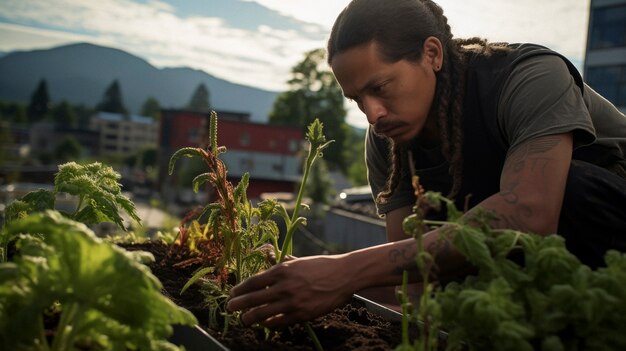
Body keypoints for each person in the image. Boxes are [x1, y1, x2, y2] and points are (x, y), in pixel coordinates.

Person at [227, 0, 626, 328]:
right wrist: (314, 282)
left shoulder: (528, 76)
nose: (373, 115)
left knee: (571, 187)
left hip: (604, 245)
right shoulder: (390, 141)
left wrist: (347, 270)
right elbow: (411, 271)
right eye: (357, 100)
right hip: (547, 284)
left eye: (379, 87)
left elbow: (530, 214)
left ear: (432, 53)